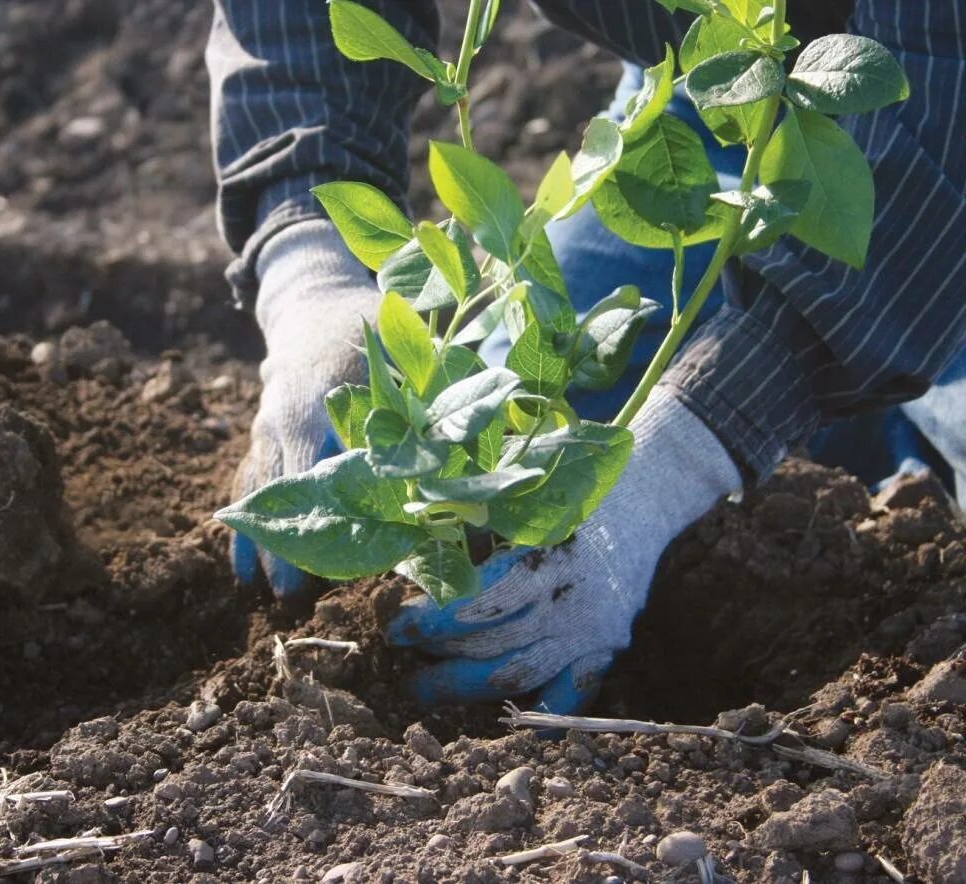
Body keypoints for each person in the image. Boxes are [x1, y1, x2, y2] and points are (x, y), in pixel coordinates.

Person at [206, 1, 966, 713]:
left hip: (939, 111)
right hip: (720, 92)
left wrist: (688, 450)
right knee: (527, 444)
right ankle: (873, 397)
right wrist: (309, 265)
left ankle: (902, 406)